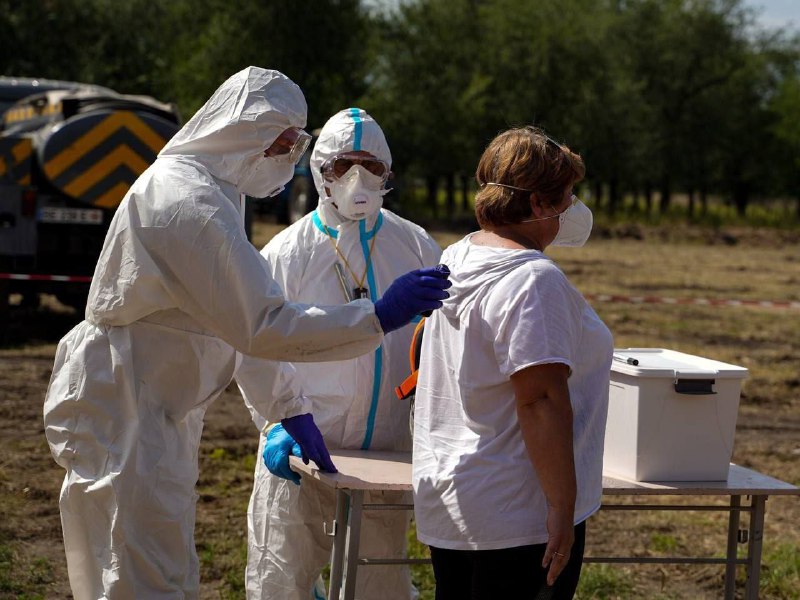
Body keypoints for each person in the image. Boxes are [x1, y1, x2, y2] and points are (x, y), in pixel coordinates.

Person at [42, 67, 450, 600]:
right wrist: (378, 317)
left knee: (160, 566)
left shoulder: (215, 192)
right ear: (243, 131)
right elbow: (261, 324)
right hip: (130, 407)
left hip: (155, 405)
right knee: (135, 575)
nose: (288, 158)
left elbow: (228, 327)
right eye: (283, 143)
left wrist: (287, 403)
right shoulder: (186, 203)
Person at [235, 107, 441, 600]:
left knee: (379, 585)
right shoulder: (286, 253)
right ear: (319, 169)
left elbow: (441, 342)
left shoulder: (414, 247)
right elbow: (251, 346)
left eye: (371, 166)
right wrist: (275, 422)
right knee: (280, 583)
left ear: (388, 173)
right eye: (343, 166)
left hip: (384, 458)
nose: (357, 179)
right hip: (301, 455)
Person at [411, 126, 613, 599]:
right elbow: (540, 399)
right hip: (520, 516)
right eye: (567, 195)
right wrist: (562, 507)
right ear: (540, 205)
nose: (574, 207)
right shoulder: (532, 281)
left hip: (460, 500)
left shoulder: (458, 255)